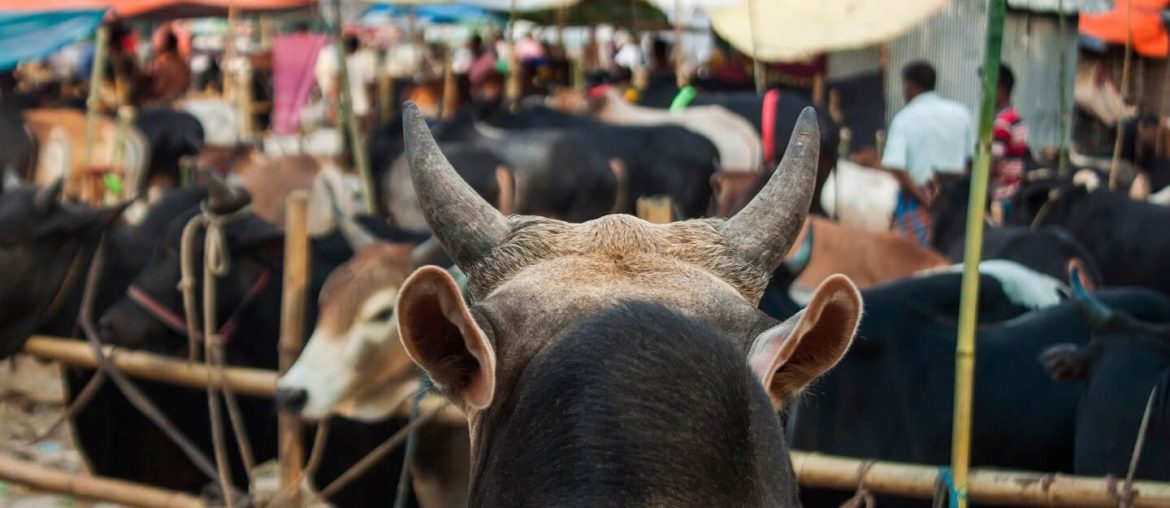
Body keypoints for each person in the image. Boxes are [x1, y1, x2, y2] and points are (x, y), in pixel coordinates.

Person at [881, 61, 974, 245]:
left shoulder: (904, 118)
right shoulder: (961, 113)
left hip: (919, 204)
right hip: (958, 205)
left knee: (912, 261)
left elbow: (895, 165)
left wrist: (924, 198)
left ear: (909, 86)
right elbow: (971, 160)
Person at [315, 34, 377, 129]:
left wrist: (331, 107)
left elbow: (336, 85)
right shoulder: (364, 61)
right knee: (361, 138)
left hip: (343, 108)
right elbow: (370, 85)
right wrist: (372, 107)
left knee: (346, 138)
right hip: (361, 107)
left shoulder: (340, 63)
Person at [990, 64, 1028, 203]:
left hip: (999, 194)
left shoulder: (1003, 121)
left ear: (1002, 88)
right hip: (1014, 190)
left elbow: (992, 163)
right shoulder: (1015, 115)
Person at [146, 30, 191, 105]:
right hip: (176, 99)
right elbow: (186, 81)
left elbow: (151, 79)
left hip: (162, 100)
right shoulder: (181, 63)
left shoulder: (160, 62)